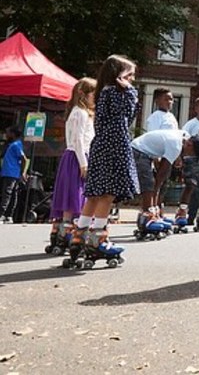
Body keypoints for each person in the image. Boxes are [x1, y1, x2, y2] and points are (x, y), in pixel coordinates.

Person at [64, 55, 137, 269]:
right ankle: (98, 239)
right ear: (119, 75)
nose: (132, 79)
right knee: (107, 193)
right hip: (115, 145)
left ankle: (79, 237)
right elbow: (128, 115)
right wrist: (130, 92)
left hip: (100, 145)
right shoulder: (117, 93)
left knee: (94, 194)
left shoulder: (102, 92)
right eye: (129, 74)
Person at [46, 78, 96, 252]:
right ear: (83, 94)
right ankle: (66, 229)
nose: (95, 98)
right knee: (72, 195)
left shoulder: (83, 113)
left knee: (76, 195)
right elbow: (78, 140)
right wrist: (83, 163)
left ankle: (65, 229)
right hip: (76, 156)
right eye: (93, 94)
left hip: (79, 155)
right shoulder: (79, 113)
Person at [131, 129, 199, 235]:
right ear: (190, 145)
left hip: (145, 152)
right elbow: (163, 171)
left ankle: (154, 214)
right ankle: (147, 217)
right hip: (138, 151)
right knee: (149, 184)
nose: (189, 155)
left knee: (155, 185)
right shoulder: (175, 145)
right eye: (192, 153)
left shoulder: (184, 136)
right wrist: (156, 188)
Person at [143, 87, 179, 223]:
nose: (170, 102)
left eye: (171, 99)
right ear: (157, 101)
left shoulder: (171, 117)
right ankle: (152, 210)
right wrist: (156, 156)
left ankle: (159, 209)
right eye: (166, 99)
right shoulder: (155, 117)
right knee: (155, 184)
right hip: (159, 153)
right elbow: (152, 135)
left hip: (168, 155)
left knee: (163, 184)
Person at [0, 126, 27, 224]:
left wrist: (23, 173)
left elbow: (23, 159)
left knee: (7, 193)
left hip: (11, 173)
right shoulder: (12, 145)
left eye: (8, 133)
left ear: (13, 134)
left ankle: (2, 214)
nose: (6, 135)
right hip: (10, 172)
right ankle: (9, 215)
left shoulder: (16, 145)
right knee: (12, 194)